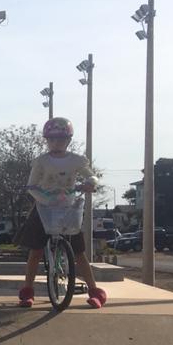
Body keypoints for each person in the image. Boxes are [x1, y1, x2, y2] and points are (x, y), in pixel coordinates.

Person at [18, 117, 107, 309]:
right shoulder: (41, 161)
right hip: (43, 208)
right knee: (36, 251)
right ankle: (27, 291)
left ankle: (95, 291)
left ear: (68, 140)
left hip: (68, 208)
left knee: (78, 252)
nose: (56, 143)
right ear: (46, 140)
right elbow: (31, 185)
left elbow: (91, 176)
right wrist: (45, 198)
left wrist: (90, 183)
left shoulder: (76, 160)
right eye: (51, 139)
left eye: (61, 139)